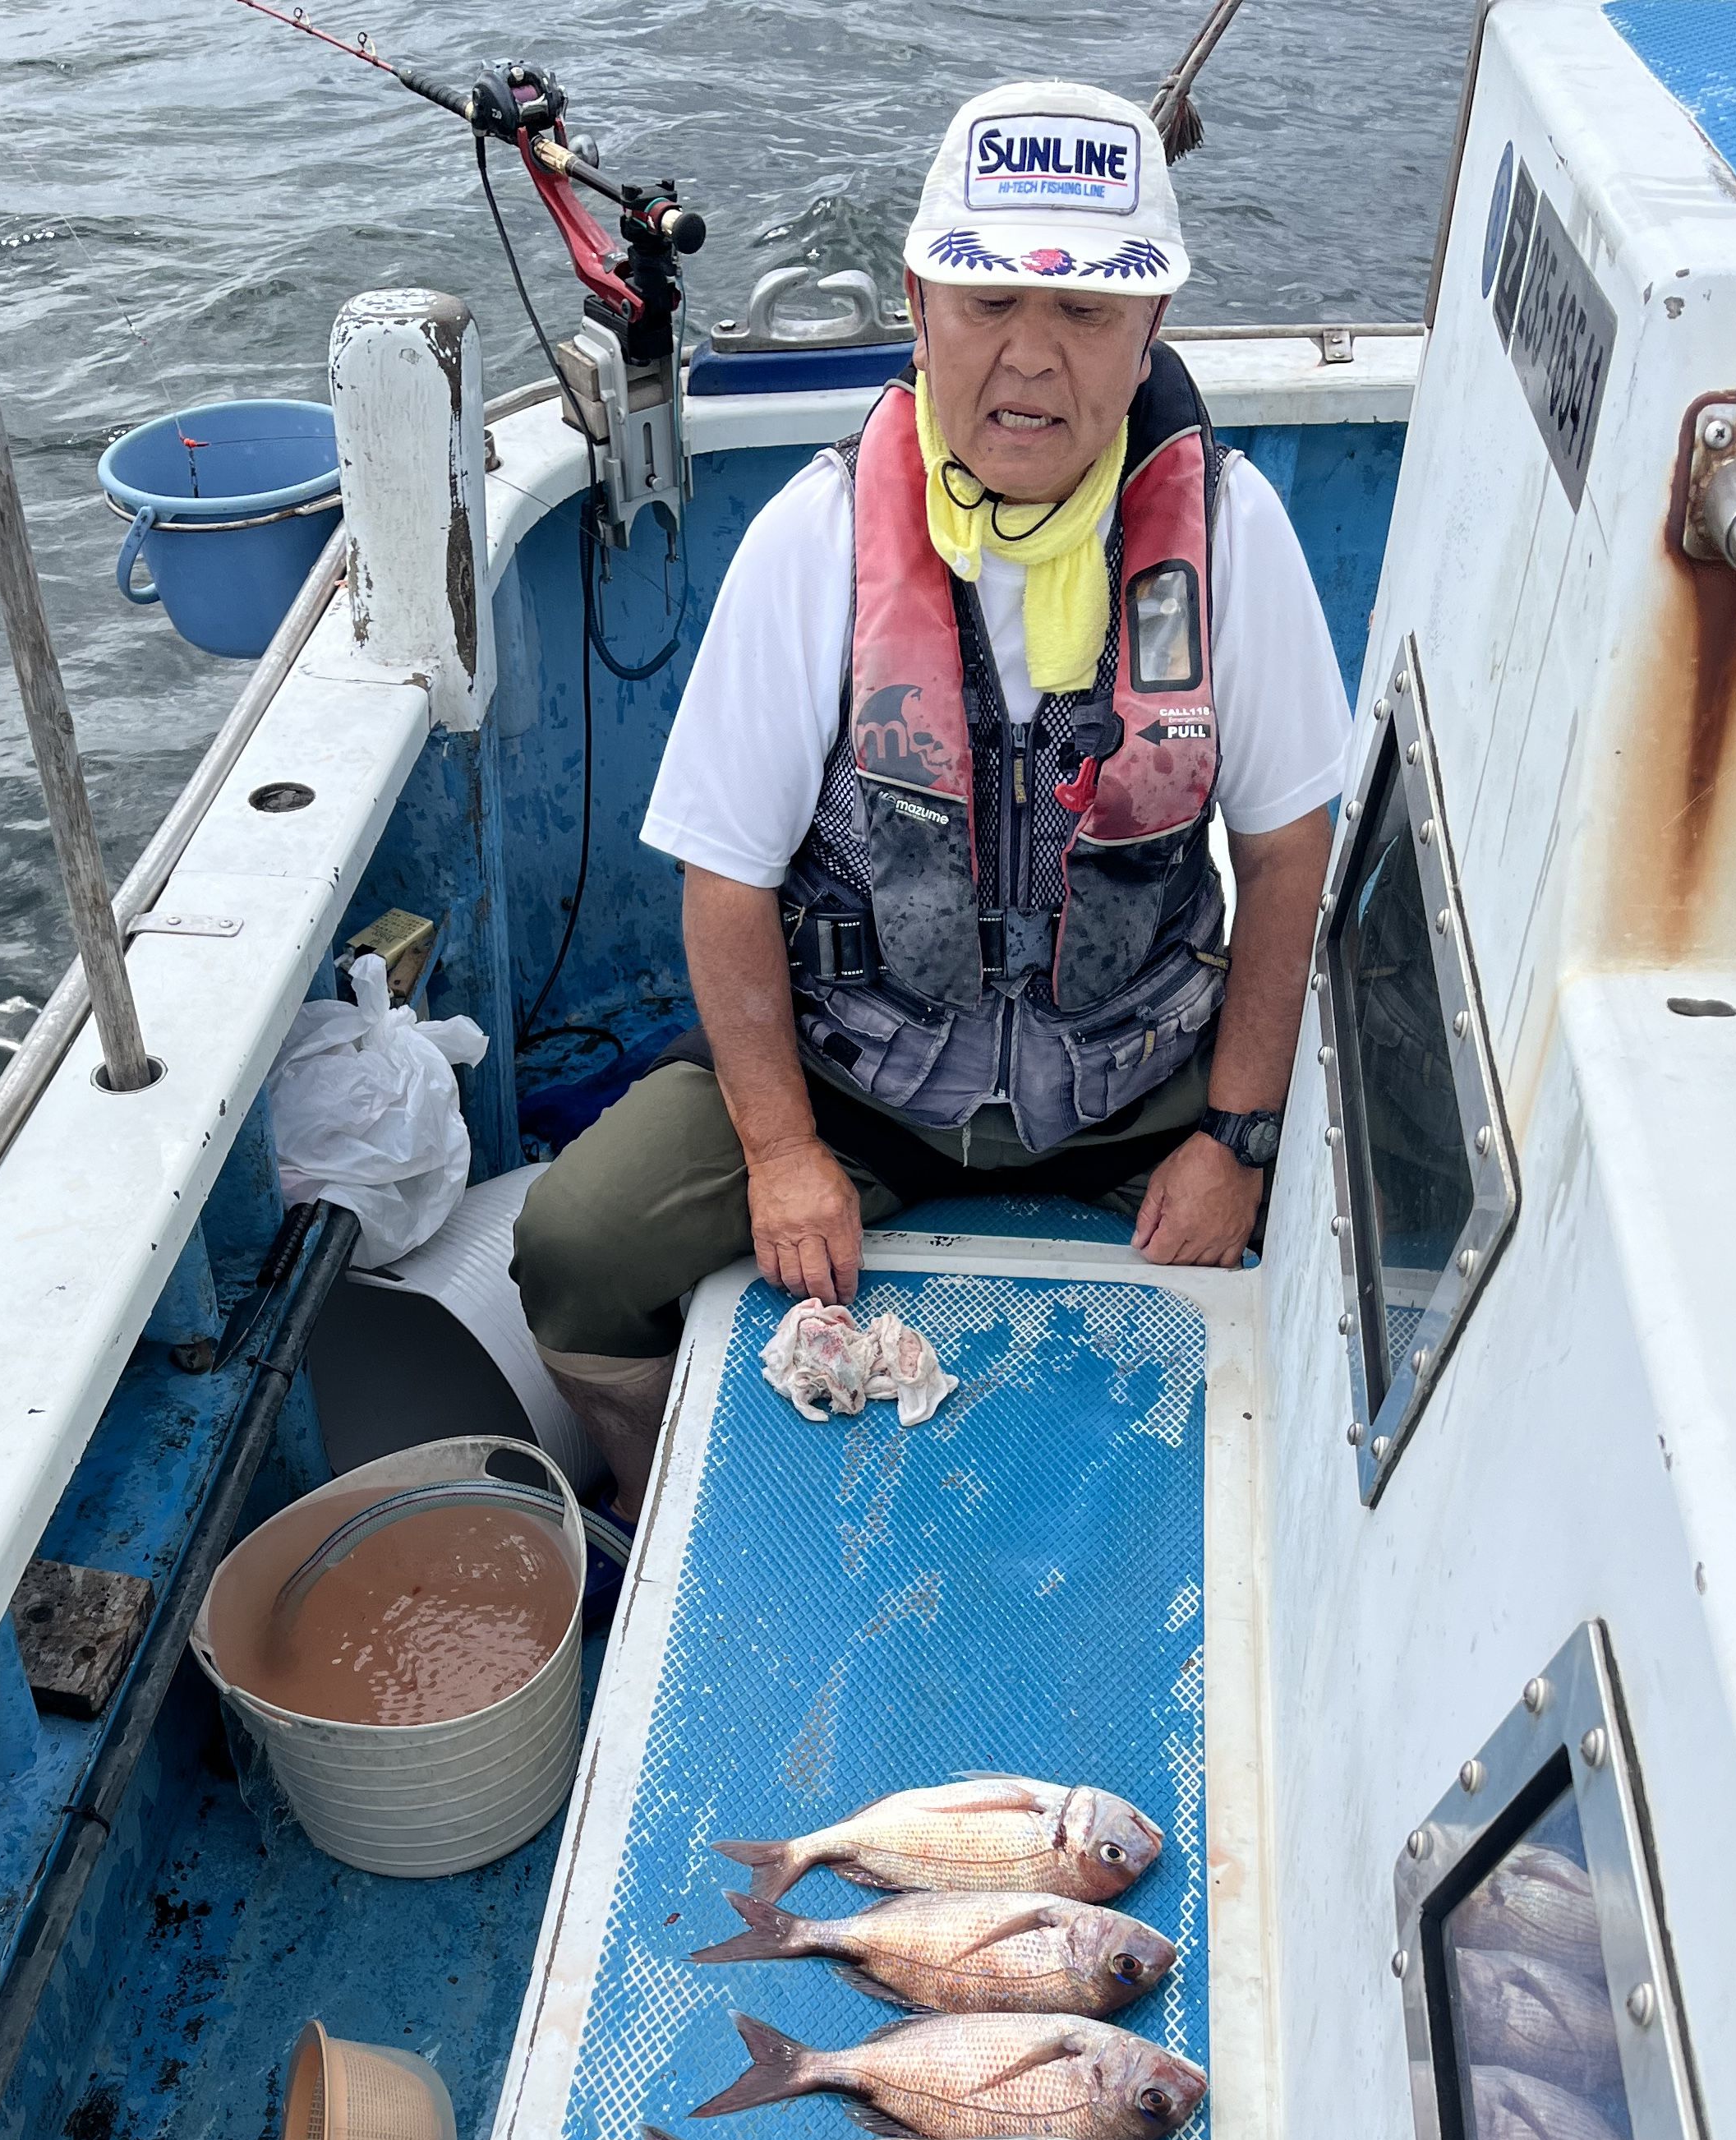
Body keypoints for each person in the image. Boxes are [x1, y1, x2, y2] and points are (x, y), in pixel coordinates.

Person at [514, 75, 1352, 1511]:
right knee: (578, 1246)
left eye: (1086, 311)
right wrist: (784, 1152)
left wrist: (1236, 1139)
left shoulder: (1231, 533)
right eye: (986, 302)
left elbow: (1288, 855)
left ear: (1151, 326)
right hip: (860, 1090)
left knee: (1360, 1244)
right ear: (918, 306)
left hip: (1141, 1088)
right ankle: (668, 1510)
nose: (1031, 357)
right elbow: (725, 875)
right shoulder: (819, 534)